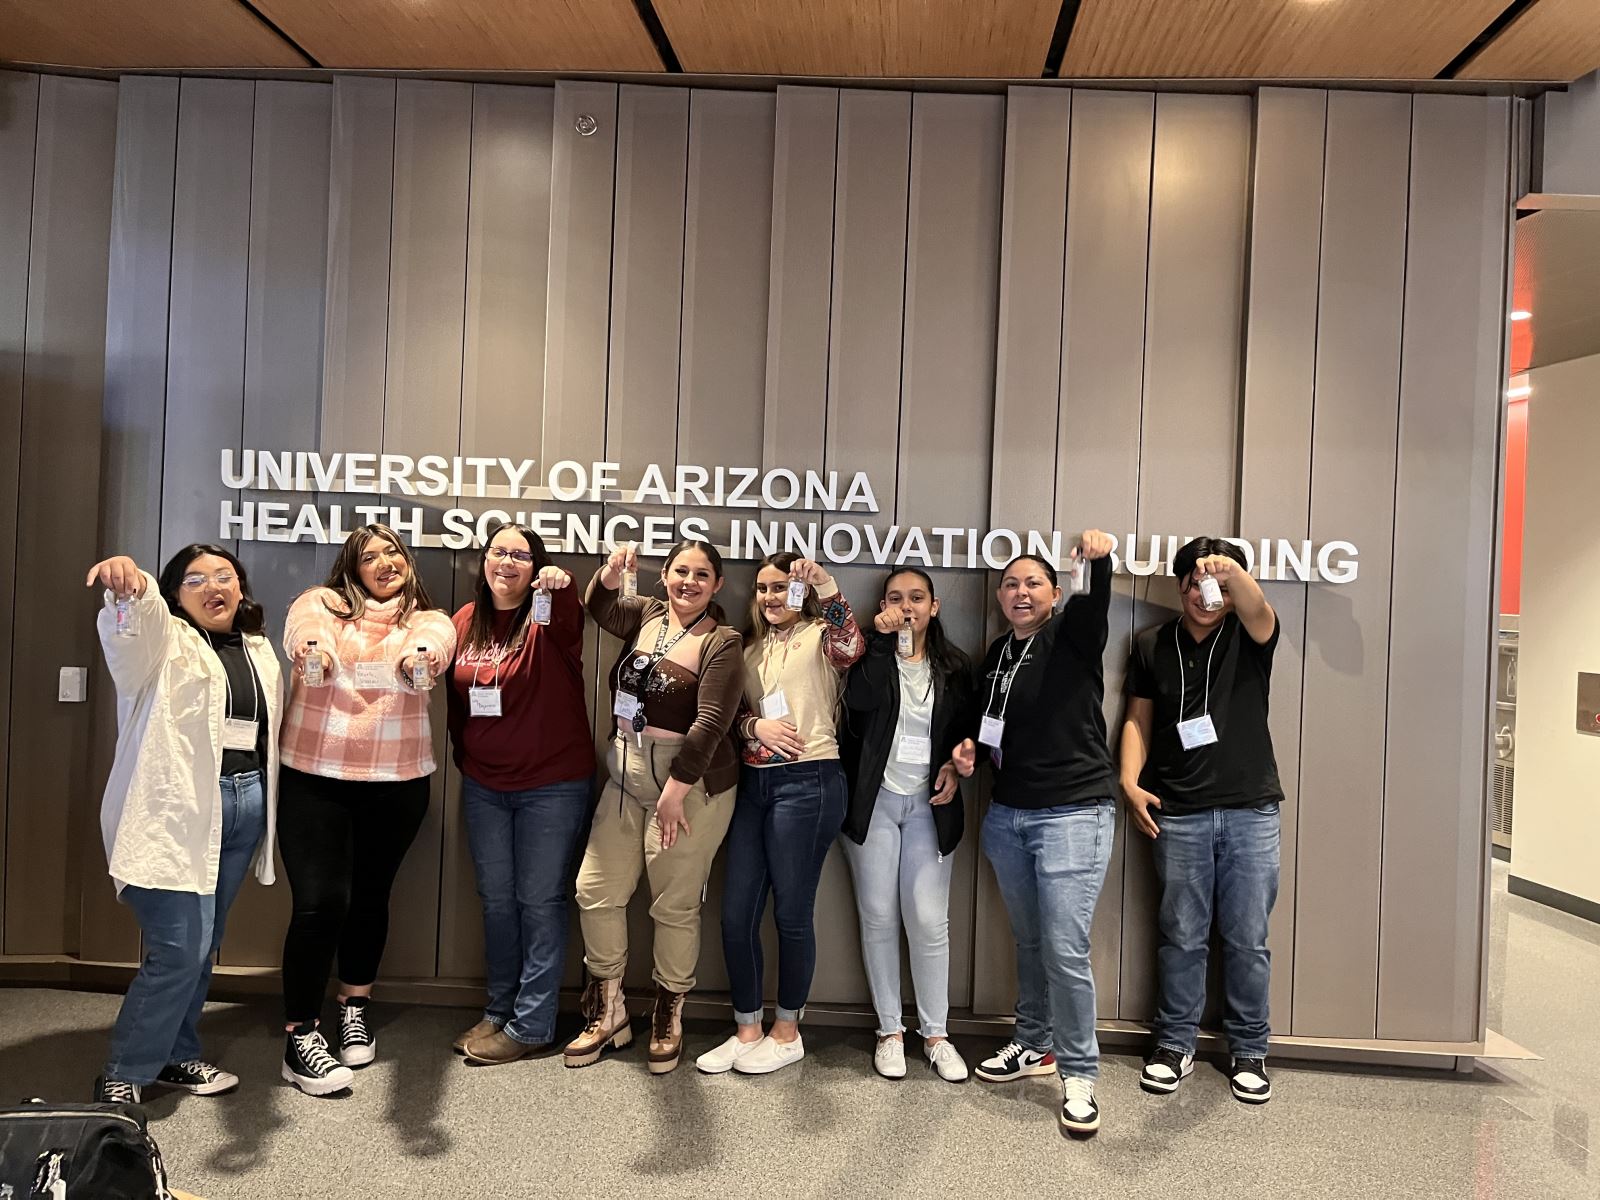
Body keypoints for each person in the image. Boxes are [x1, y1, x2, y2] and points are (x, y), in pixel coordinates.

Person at [85, 545, 283, 1104]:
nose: (213, 586)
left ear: (241, 587)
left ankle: (177, 1053)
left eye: (225, 576)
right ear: (175, 593)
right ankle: (126, 1067)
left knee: (204, 943)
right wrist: (132, 587)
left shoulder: (258, 650)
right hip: (177, 813)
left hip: (243, 806)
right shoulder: (162, 642)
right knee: (178, 948)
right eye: (195, 579)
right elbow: (133, 626)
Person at [277, 524, 456, 1095]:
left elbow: (429, 650)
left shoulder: (426, 618)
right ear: (351, 568)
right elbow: (305, 633)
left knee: (370, 898)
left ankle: (354, 1004)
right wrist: (315, 653)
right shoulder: (321, 604)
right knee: (319, 903)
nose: (385, 562)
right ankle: (300, 1032)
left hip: (395, 783)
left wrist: (417, 665)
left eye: (393, 552)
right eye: (370, 556)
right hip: (314, 777)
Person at [952, 532, 1116, 1138]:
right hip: (1008, 814)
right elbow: (985, 725)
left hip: (1073, 814)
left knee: (1065, 948)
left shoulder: (1069, 637)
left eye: (1034, 584)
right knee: (1029, 941)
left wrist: (1098, 560)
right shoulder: (998, 652)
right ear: (999, 595)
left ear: (1053, 594)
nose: (1021, 593)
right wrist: (967, 750)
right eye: (1012, 584)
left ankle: (1080, 1073)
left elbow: (1095, 605)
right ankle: (1034, 1045)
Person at [565, 539, 744, 1075]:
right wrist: (611, 572)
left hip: (688, 785)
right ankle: (609, 1009)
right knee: (594, 891)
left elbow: (712, 723)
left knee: (673, 904)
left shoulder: (722, 641)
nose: (688, 582)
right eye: (680, 571)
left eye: (701, 575)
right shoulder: (648, 614)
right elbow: (599, 607)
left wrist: (674, 793)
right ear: (664, 575)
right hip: (624, 774)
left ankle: (670, 1013)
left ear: (717, 585)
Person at [1121, 536, 1282, 1105]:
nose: (1202, 593)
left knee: (1246, 938)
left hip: (1250, 809)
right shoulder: (1149, 644)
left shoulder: (1251, 631)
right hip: (1179, 810)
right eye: (1191, 581)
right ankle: (1174, 1044)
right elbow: (1138, 719)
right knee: (1182, 936)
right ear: (1179, 586)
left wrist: (1231, 573)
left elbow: (1257, 607)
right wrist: (1130, 782)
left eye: (1212, 582)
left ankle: (1249, 1049)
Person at [697, 553, 865, 1076]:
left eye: (781, 587)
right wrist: (753, 730)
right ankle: (747, 1029)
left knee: (792, 913)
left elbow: (851, 647)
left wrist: (827, 587)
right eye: (763, 589)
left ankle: (788, 1031)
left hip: (810, 781)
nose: (771, 597)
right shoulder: (745, 646)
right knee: (736, 913)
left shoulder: (820, 634)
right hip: (754, 784)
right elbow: (733, 715)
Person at [445, 523, 592, 1066]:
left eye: (522, 556)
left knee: (539, 901)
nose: (507, 562)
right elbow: (456, 703)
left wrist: (558, 584)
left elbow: (569, 608)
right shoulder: (464, 620)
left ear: (536, 568)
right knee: (497, 901)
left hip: (552, 786)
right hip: (485, 786)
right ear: (483, 560)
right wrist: (469, 760)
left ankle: (532, 1024)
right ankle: (499, 1010)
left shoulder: (548, 616)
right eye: (498, 551)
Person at [839, 568, 973, 1083]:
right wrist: (879, 638)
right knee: (877, 916)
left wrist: (964, 761)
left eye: (917, 598)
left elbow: (970, 735)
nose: (907, 606)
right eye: (896, 598)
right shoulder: (870, 656)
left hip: (930, 806)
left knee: (927, 920)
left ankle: (936, 1034)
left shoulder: (956, 667)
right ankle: (890, 1030)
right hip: (874, 805)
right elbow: (861, 702)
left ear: (934, 606)